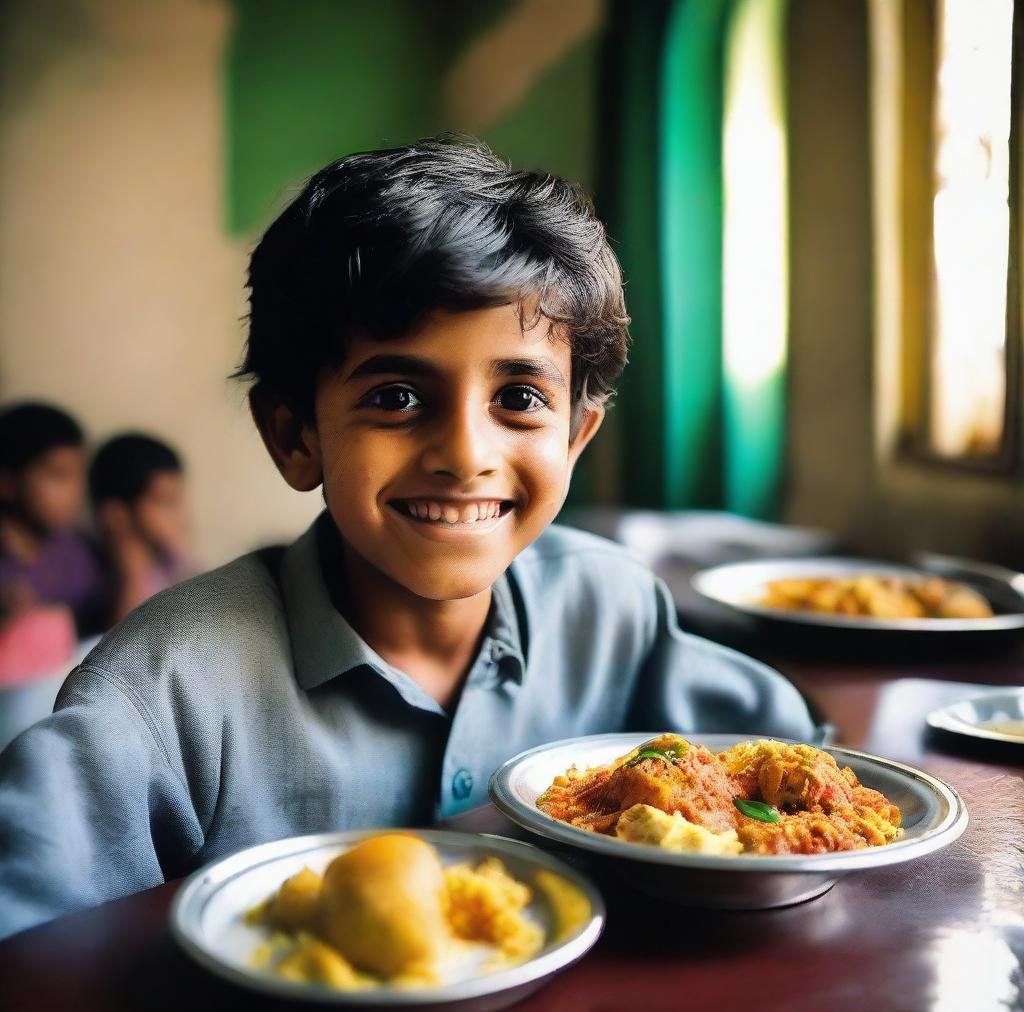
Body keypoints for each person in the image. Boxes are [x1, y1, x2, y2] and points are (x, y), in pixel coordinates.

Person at [0, 135, 815, 939]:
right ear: (295, 437)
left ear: (576, 437)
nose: (465, 454)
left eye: (521, 398)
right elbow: (32, 949)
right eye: (395, 397)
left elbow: (803, 777)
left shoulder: (611, 610)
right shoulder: (163, 692)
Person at [0, 402, 106, 638]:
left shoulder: (81, 553)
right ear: (6, 481)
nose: (76, 493)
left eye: (79, 476)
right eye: (58, 476)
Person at [88, 433, 196, 621]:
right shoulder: (87, 569)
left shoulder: (170, 561)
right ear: (116, 513)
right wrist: (133, 574)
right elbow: (125, 643)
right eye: (167, 503)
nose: (180, 517)